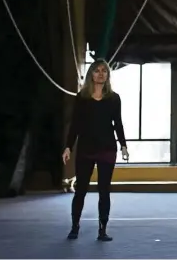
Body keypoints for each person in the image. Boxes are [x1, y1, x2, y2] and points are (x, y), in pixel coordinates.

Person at [62, 59, 129, 241]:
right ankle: (75, 226)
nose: (101, 74)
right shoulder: (81, 98)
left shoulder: (114, 99)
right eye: (97, 70)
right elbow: (74, 124)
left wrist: (123, 145)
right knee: (81, 189)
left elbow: (118, 124)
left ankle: (102, 229)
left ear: (108, 75)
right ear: (91, 73)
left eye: (104, 71)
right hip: (86, 148)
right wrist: (68, 146)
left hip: (107, 148)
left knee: (104, 190)